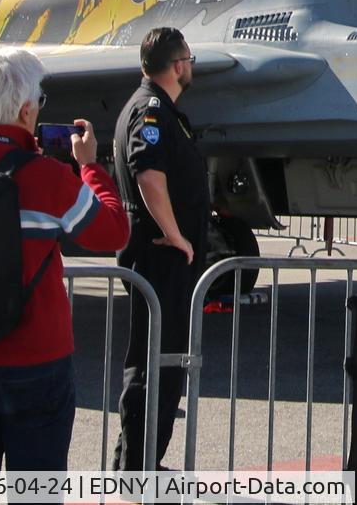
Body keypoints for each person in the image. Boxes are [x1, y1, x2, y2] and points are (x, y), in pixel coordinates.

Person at [0, 46, 130, 470]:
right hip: (35, 362)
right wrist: (88, 167)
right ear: (26, 110)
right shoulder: (46, 177)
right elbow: (112, 230)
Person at [113, 27, 211, 471]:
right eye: (189, 58)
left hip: (163, 260)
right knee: (157, 367)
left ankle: (138, 465)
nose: (191, 65)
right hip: (161, 258)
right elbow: (148, 173)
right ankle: (139, 473)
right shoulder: (151, 110)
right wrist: (175, 234)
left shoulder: (157, 110)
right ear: (178, 65)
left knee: (160, 365)